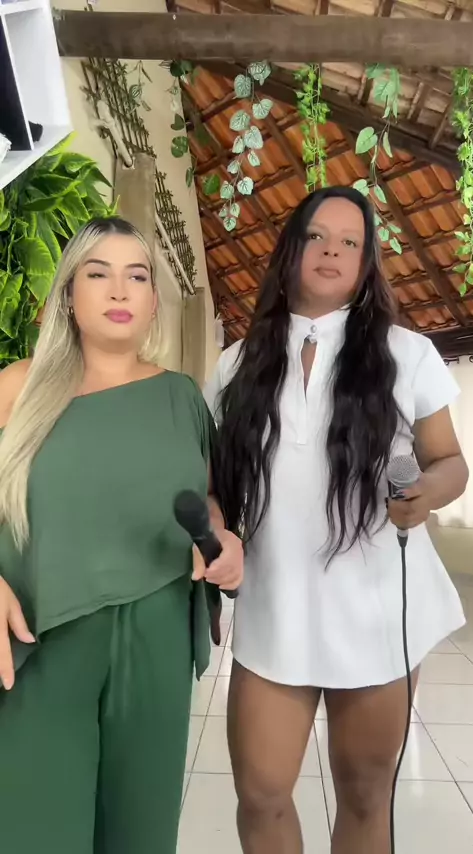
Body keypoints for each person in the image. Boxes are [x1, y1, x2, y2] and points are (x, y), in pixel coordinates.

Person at [204, 186, 468, 854]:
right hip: (276, 608)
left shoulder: (407, 353)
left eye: (351, 242)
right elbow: (214, 486)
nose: (332, 251)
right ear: (291, 248)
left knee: (365, 795)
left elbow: (450, 464)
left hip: (377, 610)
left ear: (367, 261)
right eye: (317, 236)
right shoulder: (235, 364)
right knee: (261, 796)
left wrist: (425, 493)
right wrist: (216, 529)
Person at [0, 216, 243, 854]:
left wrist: (224, 539)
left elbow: (208, 501)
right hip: (41, 639)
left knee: (141, 830)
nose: (118, 290)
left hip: (157, 636)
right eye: (97, 273)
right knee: (35, 829)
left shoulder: (182, 398)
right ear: (68, 295)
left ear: (154, 300)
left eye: (136, 276)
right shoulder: (17, 388)